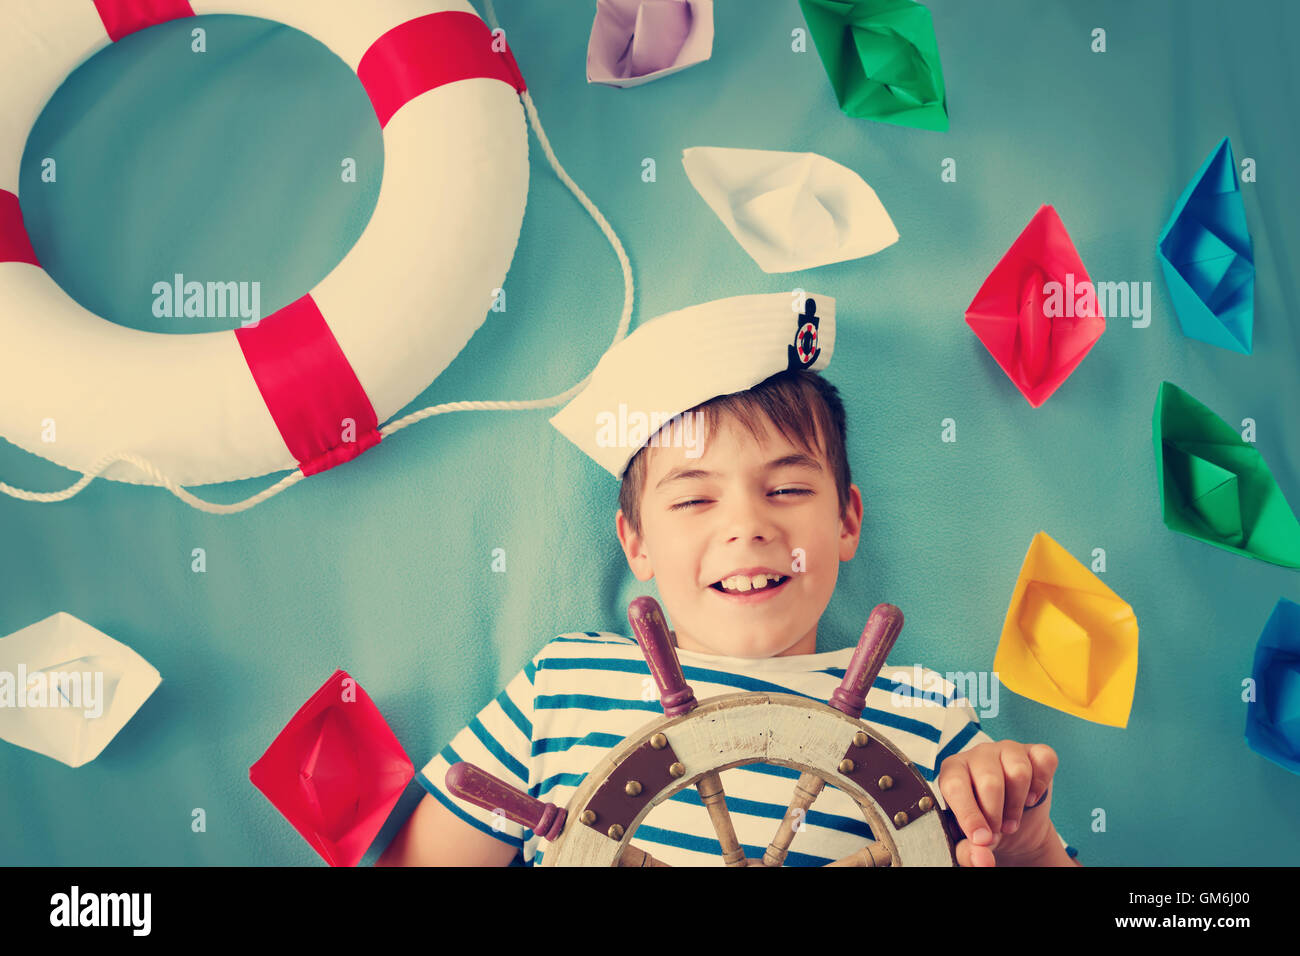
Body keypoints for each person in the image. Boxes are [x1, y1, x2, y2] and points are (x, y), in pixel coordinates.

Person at [378, 292, 1080, 867]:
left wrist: (1030, 844)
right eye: (693, 499)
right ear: (637, 541)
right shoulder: (561, 688)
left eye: (786, 491)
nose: (747, 528)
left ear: (846, 522)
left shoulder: (928, 716)